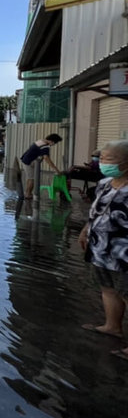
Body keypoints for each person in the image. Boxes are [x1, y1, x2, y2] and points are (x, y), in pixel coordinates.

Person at [77, 140, 128, 360]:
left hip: (123, 252)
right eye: (102, 158)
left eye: (110, 159)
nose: (103, 162)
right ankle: (112, 326)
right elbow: (96, 210)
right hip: (100, 248)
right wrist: (85, 230)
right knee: (108, 288)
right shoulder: (105, 184)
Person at [18, 133, 62, 199]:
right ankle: (28, 194)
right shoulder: (45, 146)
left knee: (29, 178)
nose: (54, 145)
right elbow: (46, 158)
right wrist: (56, 169)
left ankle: (27, 192)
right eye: (55, 143)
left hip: (25, 159)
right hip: (29, 162)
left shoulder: (41, 141)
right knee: (32, 179)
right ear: (52, 141)